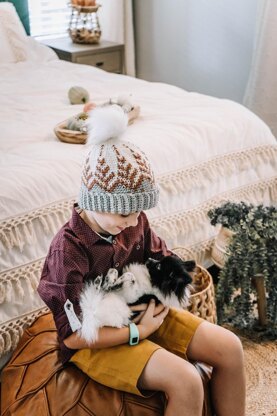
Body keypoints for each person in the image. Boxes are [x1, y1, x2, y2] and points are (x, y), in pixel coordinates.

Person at [38, 104, 246, 416]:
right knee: (187, 380)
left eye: (139, 212)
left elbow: (164, 260)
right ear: (95, 200)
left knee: (230, 347)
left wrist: (169, 287)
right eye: (124, 213)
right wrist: (140, 332)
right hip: (97, 338)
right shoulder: (68, 249)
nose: (134, 221)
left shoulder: (134, 222)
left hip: (139, 311)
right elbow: (73, 335)